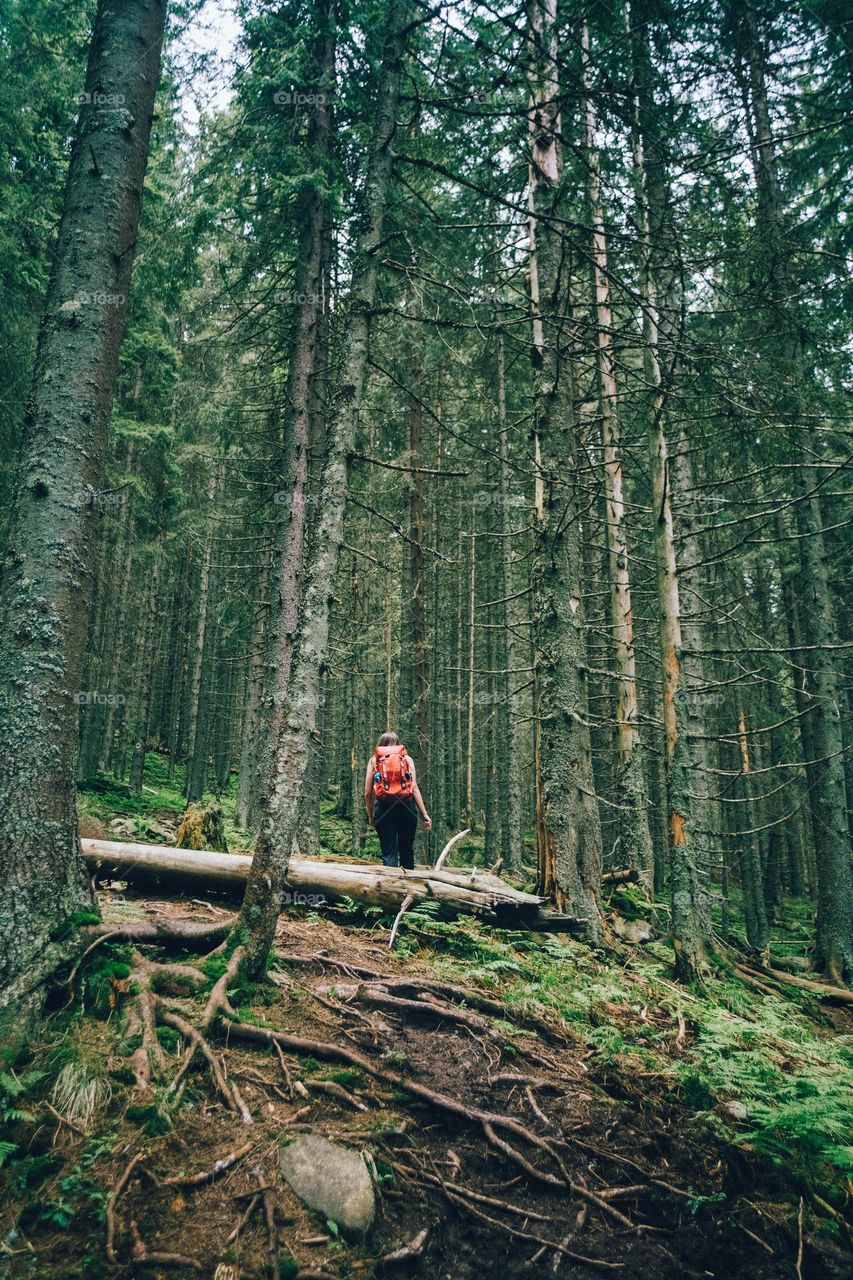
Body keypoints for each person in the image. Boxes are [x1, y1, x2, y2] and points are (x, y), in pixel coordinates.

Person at [364, 731, 431, 870]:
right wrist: (424, 814)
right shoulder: (407, 759)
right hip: (407, 809)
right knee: (407, 850)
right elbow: (414, 788)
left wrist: (370, 816)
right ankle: (409, 889)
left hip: (383, 810)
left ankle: (390, 888)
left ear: (380, 745)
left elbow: (368, 793)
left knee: (389, 853)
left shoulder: (374, 760)